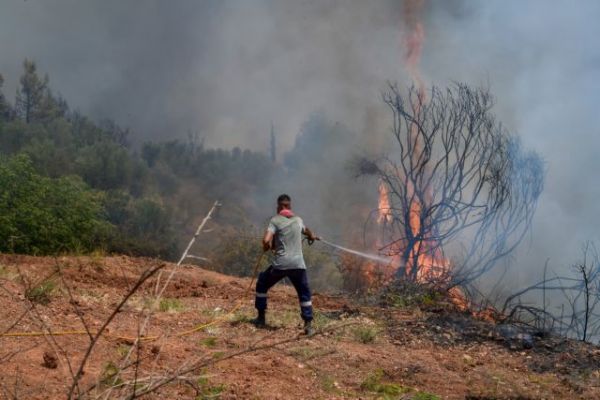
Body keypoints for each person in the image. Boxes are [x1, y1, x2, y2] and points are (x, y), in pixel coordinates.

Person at [253, 194, 320, 335]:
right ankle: (308, 325)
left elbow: (266, 240)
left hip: (281, 265)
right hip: (298, 265)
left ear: (279, 206)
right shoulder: (298, 220)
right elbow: (308, 231)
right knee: (304, 293)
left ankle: (260, 318)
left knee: (262, 283)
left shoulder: (275, 220)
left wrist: (267, 246)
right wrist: (312, 236)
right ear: (289, 206)